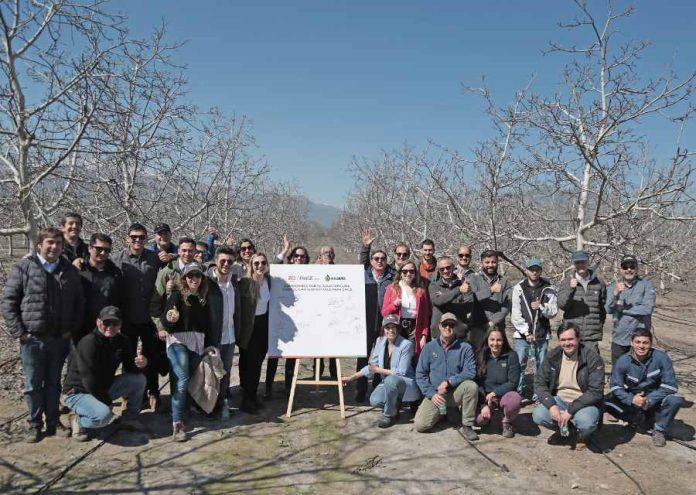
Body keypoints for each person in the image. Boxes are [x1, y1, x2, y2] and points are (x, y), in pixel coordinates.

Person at [2, 227, 85, 442]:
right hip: (33, 338)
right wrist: (19, 332)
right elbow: (9, 302)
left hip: (59, 338)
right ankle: (34, 423)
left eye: (58, 243)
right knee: (32, 384)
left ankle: (53, 421)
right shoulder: (24, 267)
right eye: (49, 242)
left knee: (54, 382)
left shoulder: (69, 271)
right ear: (40, 244)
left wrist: (70, 330)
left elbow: (79, 304)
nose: (54, 247)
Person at [63, 306, 147, 441]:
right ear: (98, 322)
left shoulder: (122, 340)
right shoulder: (89, 342)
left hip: (103, 387)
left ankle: (129, 418)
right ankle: (79, 421)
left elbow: (131, 368)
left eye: (115, 323)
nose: (111, 327)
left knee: (139, 379)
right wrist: (107, 402)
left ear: (121, 325)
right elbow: (88, 381)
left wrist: (141, 364)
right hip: (79, 391)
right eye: (106, 322)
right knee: (104, 416)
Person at [161, 262, 214, 441]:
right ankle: (177, 423)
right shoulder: (177, 296)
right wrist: (171, 319)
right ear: (184, 278)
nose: (194, 279)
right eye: (190, 276)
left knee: (188, 379)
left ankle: (183, 410)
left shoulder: (202, 299)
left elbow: (205, 325)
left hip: (197, 343)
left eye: (197, 276)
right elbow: (166, 321)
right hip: (178, 342)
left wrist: (208, 345)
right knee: (182, 380)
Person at [112, 223, 162, 412]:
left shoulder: (154, 258)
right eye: (134, 237)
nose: (137, 240)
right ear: (127, 238)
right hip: (127, 318)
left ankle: (153, 392)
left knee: (152, 356)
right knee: (128, 358)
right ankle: (130, 396)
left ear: (146, 239)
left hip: (149, 318)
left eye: (141, 237)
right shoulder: (118, 260)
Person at [605, 329, 682, 447]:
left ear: (651, 344)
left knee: (675, 400)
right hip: (634, 400)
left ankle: (659, 429)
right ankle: (634, 420)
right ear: (631, 343)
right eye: (638, 342)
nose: (641, 346)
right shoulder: (623, 361)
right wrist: (631, 399)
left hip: (655, 399)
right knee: (605, 402)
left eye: (645, 343)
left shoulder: (661, 358)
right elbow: (615, 386)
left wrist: (649, 400)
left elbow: (670, 386)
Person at [532, 323, 605, 450]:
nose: (567, 343)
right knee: (539, 415)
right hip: (560, 400)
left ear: (578, 338)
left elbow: (595, 392)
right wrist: (551, 405)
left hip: (584, 402)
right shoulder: (552, 356)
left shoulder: (593, 359)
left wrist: (570, 411)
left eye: (570, 339)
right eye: (563, 340)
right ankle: (567, 428)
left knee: (586, 423)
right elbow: (539, 382)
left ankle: (583, 435)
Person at [342, 315, 420, 427]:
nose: (391, 330)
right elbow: (371, 367)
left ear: (398, 329)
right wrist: (351, 378)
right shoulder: (380, 341)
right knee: (374, 400)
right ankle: (395, 406)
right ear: (383, 329)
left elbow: (401, 372)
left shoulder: (406, 345)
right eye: (388, 327)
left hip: (405, 383)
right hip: (389, 383)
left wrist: (378, 369)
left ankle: (389, 415)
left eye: (394, 327)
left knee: (391, 380)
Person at [414, 313, 479, 440]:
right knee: (420, 425)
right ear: (439, 326)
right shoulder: (429, 347)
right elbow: (420, 374)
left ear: (456, 327)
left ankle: (467, 425)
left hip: (455, 392)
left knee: (471, 386)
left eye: (451, 325)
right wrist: (431, 394)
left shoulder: (465, 347)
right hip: (436, 394)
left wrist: (449, 382)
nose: (448, 328)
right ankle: (445, 412)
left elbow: (470, 371)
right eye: (445, 324)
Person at [265, 244, 315, 398]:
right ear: (291, 258)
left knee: (292, 357)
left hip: (297, 322)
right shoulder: (282, 272)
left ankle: (288, 388)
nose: (299, 258)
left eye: (302, 256)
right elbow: (272, 268)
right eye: (296, 256)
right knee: (274, 356)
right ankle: (268, 389)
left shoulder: (311, 274)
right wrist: (284, 251)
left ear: (306, 260)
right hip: (278, 319)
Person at [357, 229, 396, 402]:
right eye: (376, 258)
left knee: (383, 357)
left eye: (382, 259)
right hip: (365, 322)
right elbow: (362, 261)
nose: (379, 261)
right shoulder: (364, 273)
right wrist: (366, 247)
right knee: (363, 357)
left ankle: (377, 388)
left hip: (385, 324)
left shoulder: (392, 276)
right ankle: (360, 389)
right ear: (371, 261)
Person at [511, 258, 557, 397]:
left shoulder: (548, 288)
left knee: (541, 366)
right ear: (526, 270)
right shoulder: (518, 288)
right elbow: (515, 313)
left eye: (537, 269)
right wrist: (526, 332)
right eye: (531, 269)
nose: (534, 272)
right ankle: (517, 393)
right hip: (522, 335)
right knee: (520, 365)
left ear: (541, 271)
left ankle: (539, 394)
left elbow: (553, 311)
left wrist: (541, 307)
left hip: (542, 334)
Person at [204, 245, 241, 416]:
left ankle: (221, 405)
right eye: (223, 261)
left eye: (230, 261)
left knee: (225, 373)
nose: (226, 264)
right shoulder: (206, 281)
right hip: (213, 337)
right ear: (216, 261)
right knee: (211, 374)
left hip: (230, 335)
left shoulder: (234, 281)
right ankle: (208, 407)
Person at [605, 255, 656, 366]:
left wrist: (622, 309)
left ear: (637, 268)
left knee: (639, 375)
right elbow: (608, 309)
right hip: (619, 339)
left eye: (632, 266)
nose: (629, 269)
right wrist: (615, 294)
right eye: (625, 267)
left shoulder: (647, 285)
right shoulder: (612, 287)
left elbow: (648, 308)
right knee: (618, 373)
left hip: (640, 341)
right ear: (621, 269)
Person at [429, 256, 490, 346]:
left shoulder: (464, 283)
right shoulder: (434, 286)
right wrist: (458, 291)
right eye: (442, 269)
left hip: (459, 334)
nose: (445, 271)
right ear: (438, 270)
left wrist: (445, 301)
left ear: (453, 267)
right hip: (438, 334)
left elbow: (467, 306)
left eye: (448, 267)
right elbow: (437, 302)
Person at [238, 253, 271, 413]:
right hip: (248, 327)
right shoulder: (245, 283)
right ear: (251, 265)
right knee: (248, 365)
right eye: (256, 263)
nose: (260, 266)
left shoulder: (268, 281)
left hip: (263, 326)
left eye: (263, 262)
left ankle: (253, 395)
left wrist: (284, 252)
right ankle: (246, 399)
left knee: (257, 363)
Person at [557, 250, 606, 356]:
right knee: (572, 367)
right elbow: (562, 305)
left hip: (591, 336)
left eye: (583, 262)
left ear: (588, 262)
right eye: (577, 262)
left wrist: (598, 325)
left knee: (593, 367)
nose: (580, 265)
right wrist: (571, 289)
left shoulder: (599, 282)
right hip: (572, 334)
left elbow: (602, 307)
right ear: (574, 264)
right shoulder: (566, 282)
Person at [475, 327, 521, 438]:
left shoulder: (512, 356)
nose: (495, 343)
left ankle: (507, 421)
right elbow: (477, 382)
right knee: (480, 421)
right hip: (486, 398)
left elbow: (513, 382)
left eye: (499, 340)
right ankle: (489, 417)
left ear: (504, 340)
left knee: (515, 399)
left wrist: (494, 393)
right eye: (492, 340)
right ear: (487, 340)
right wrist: (483, 404)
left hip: (504, 395)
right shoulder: (481, 356)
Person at [77, 233, 124, 343]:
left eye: (107, 250)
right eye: (99, 249)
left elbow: (120, 300)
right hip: (81, 329)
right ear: (89, 248)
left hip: (107, 328)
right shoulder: (78, 270)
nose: (103, 253)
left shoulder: (115, 273)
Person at [382, 260, 431, 360]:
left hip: (415, 328)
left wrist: (424, 335)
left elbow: (425, 316)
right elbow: (384, 312)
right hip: (397, 327)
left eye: (411, 271)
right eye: (405, 271)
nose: (408, 274)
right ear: (400, 273)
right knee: (396, 356)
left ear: (415, 273)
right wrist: (394, 305)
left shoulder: (421, 290)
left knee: (411, 357)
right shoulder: (392, 288)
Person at [477, 249, 511, 333]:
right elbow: (471, 298)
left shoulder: (504, 281)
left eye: (493, 262)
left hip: (498, 327)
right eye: (487, 262)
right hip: (477, 327)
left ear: (497, 263)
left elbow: (508, 304)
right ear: (482, 263)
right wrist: (491, 290)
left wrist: (493, 321)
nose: (490, 265)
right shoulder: (474, 279)